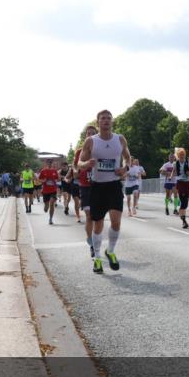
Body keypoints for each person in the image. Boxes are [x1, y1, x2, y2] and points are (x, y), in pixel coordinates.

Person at [78, 111, 132, 273]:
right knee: (98, 224)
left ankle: (111, 251)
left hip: (114, 186)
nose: (106, 121)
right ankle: (97, 257)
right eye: (103, 119)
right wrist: (87, 163)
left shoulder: (120, 139)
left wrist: (125, 168)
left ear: (112, 121)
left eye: (109, 118)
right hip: (97, 187)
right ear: (98, 122)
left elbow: (127, 157)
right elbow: (79, 163)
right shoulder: (90, 141)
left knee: (116, 221)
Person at [74, 124, 99, 255]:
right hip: (85, 187)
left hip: (99, 186)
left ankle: (95, 240)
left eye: (92, 133)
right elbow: (75, 167)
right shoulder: (79, 151)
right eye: (88, 133)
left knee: (97, 217)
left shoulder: (101, 149)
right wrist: (76, 171)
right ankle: (92, 242)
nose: (90, 135)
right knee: (89, 216)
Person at [171, 148, 189, 229]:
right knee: (183, 202)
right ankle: (184, 221)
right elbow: (174, 171)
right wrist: (171, 176)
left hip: (187, 182)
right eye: (180, 155)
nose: (182, 157)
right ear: (178, 156)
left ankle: (181, 212)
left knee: (185, 203)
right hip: (180, 182)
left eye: (183, 155)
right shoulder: (175, 163)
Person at [39, 158, 61, 224]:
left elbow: (58, 179)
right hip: (45, 191)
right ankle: (46, 206)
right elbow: (39, 180)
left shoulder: (55, 171)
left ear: (52, 163)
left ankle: (50, 219)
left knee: (52, 204)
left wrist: (56, 180)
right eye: (49, 162)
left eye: (51, 162)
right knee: (46, 207)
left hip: (53, 190)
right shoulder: (43, 171)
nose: (50, 163)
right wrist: (44, 180)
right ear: (46, 163)